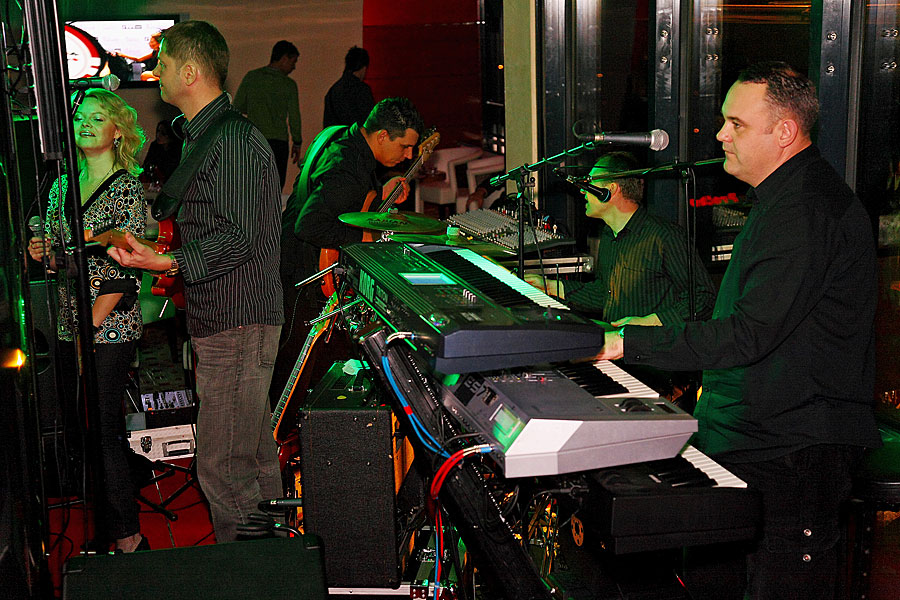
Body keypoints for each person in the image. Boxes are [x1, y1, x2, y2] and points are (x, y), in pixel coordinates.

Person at [597, 62, 881, 600]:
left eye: (736, 124)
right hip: (757, 437)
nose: (721, 135)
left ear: (784, 132)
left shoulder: (806, 210)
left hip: (791, 453)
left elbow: (748, 335)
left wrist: (622, 343)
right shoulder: (784, 201)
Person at [106, 20, 285, 543]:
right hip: (228, 319)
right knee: (252, 461)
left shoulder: (232, 140)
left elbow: (240, 238)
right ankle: (274, 565)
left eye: (162, 65)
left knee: (224, 470)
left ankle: (252, 571)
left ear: (189, 72)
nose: (155, 74)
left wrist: (167, 263)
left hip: (238, 321)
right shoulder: (206, 136)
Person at [27, 89, 147, 553]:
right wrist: (44, 254)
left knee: (104, 431)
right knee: (79, 430)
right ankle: (104, 528)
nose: (86, 124)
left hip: (108, 326)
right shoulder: (61, 186)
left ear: (118, 132)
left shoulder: (126, 187)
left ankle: (129, 537)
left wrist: (89, 327)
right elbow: (66, 261)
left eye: (98, 118)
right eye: (80, 117)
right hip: (68, 325)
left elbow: (124, 270)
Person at [271, 97, 422, 407]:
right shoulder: (346, 167)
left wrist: (380, 195)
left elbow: (342, 202)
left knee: (302, 371)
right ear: (382, 136)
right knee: (295, 376)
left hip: (292, 264)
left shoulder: (344, 139)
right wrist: (366, 236)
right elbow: (310, 225)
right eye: (405, 147)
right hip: (302, 276)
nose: (408, 156)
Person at [529, 151, 716, 326]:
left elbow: (703, 298)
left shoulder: (665, 236)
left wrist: (650, 322)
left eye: (590, 182)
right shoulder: (609, 235)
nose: (583, 191)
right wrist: (549, 286)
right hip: (619, 344)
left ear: (610, 190)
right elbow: (605, 294)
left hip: (653, 348)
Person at [233, 40, 303, 188]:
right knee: (275, 186)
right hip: (279, 143)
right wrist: (297, 142)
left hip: (254, 139)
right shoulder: (288, 85)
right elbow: (294, 117)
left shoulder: (252, 77)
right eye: (293, 62)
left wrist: (256, 108)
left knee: (253, 185)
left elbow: (238, 107)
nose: (294, 67)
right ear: (284, 58)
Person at [323, 46, 375, 128]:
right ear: (364, 68)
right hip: (357, 135)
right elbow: (370, 122)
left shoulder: (333, 91)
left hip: (337, 135)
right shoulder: (362, 90)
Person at [140, 119, 182, 188]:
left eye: (163, 133)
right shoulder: (155, 146)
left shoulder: (177, 151)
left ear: (171, 135)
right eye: (158, 131)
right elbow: (146, 165)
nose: (158, 135)